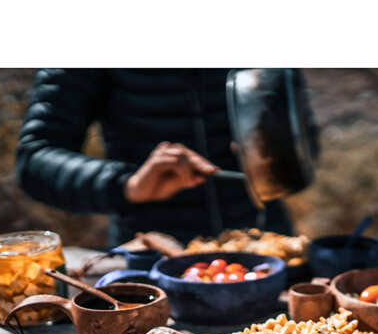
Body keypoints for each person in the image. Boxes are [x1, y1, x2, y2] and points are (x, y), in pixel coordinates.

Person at [17, 69, 318, 248]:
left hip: (268, 251)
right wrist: (126, 185)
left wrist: (278, 156)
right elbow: (34, 159)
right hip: (152, 259)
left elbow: (306, 145)